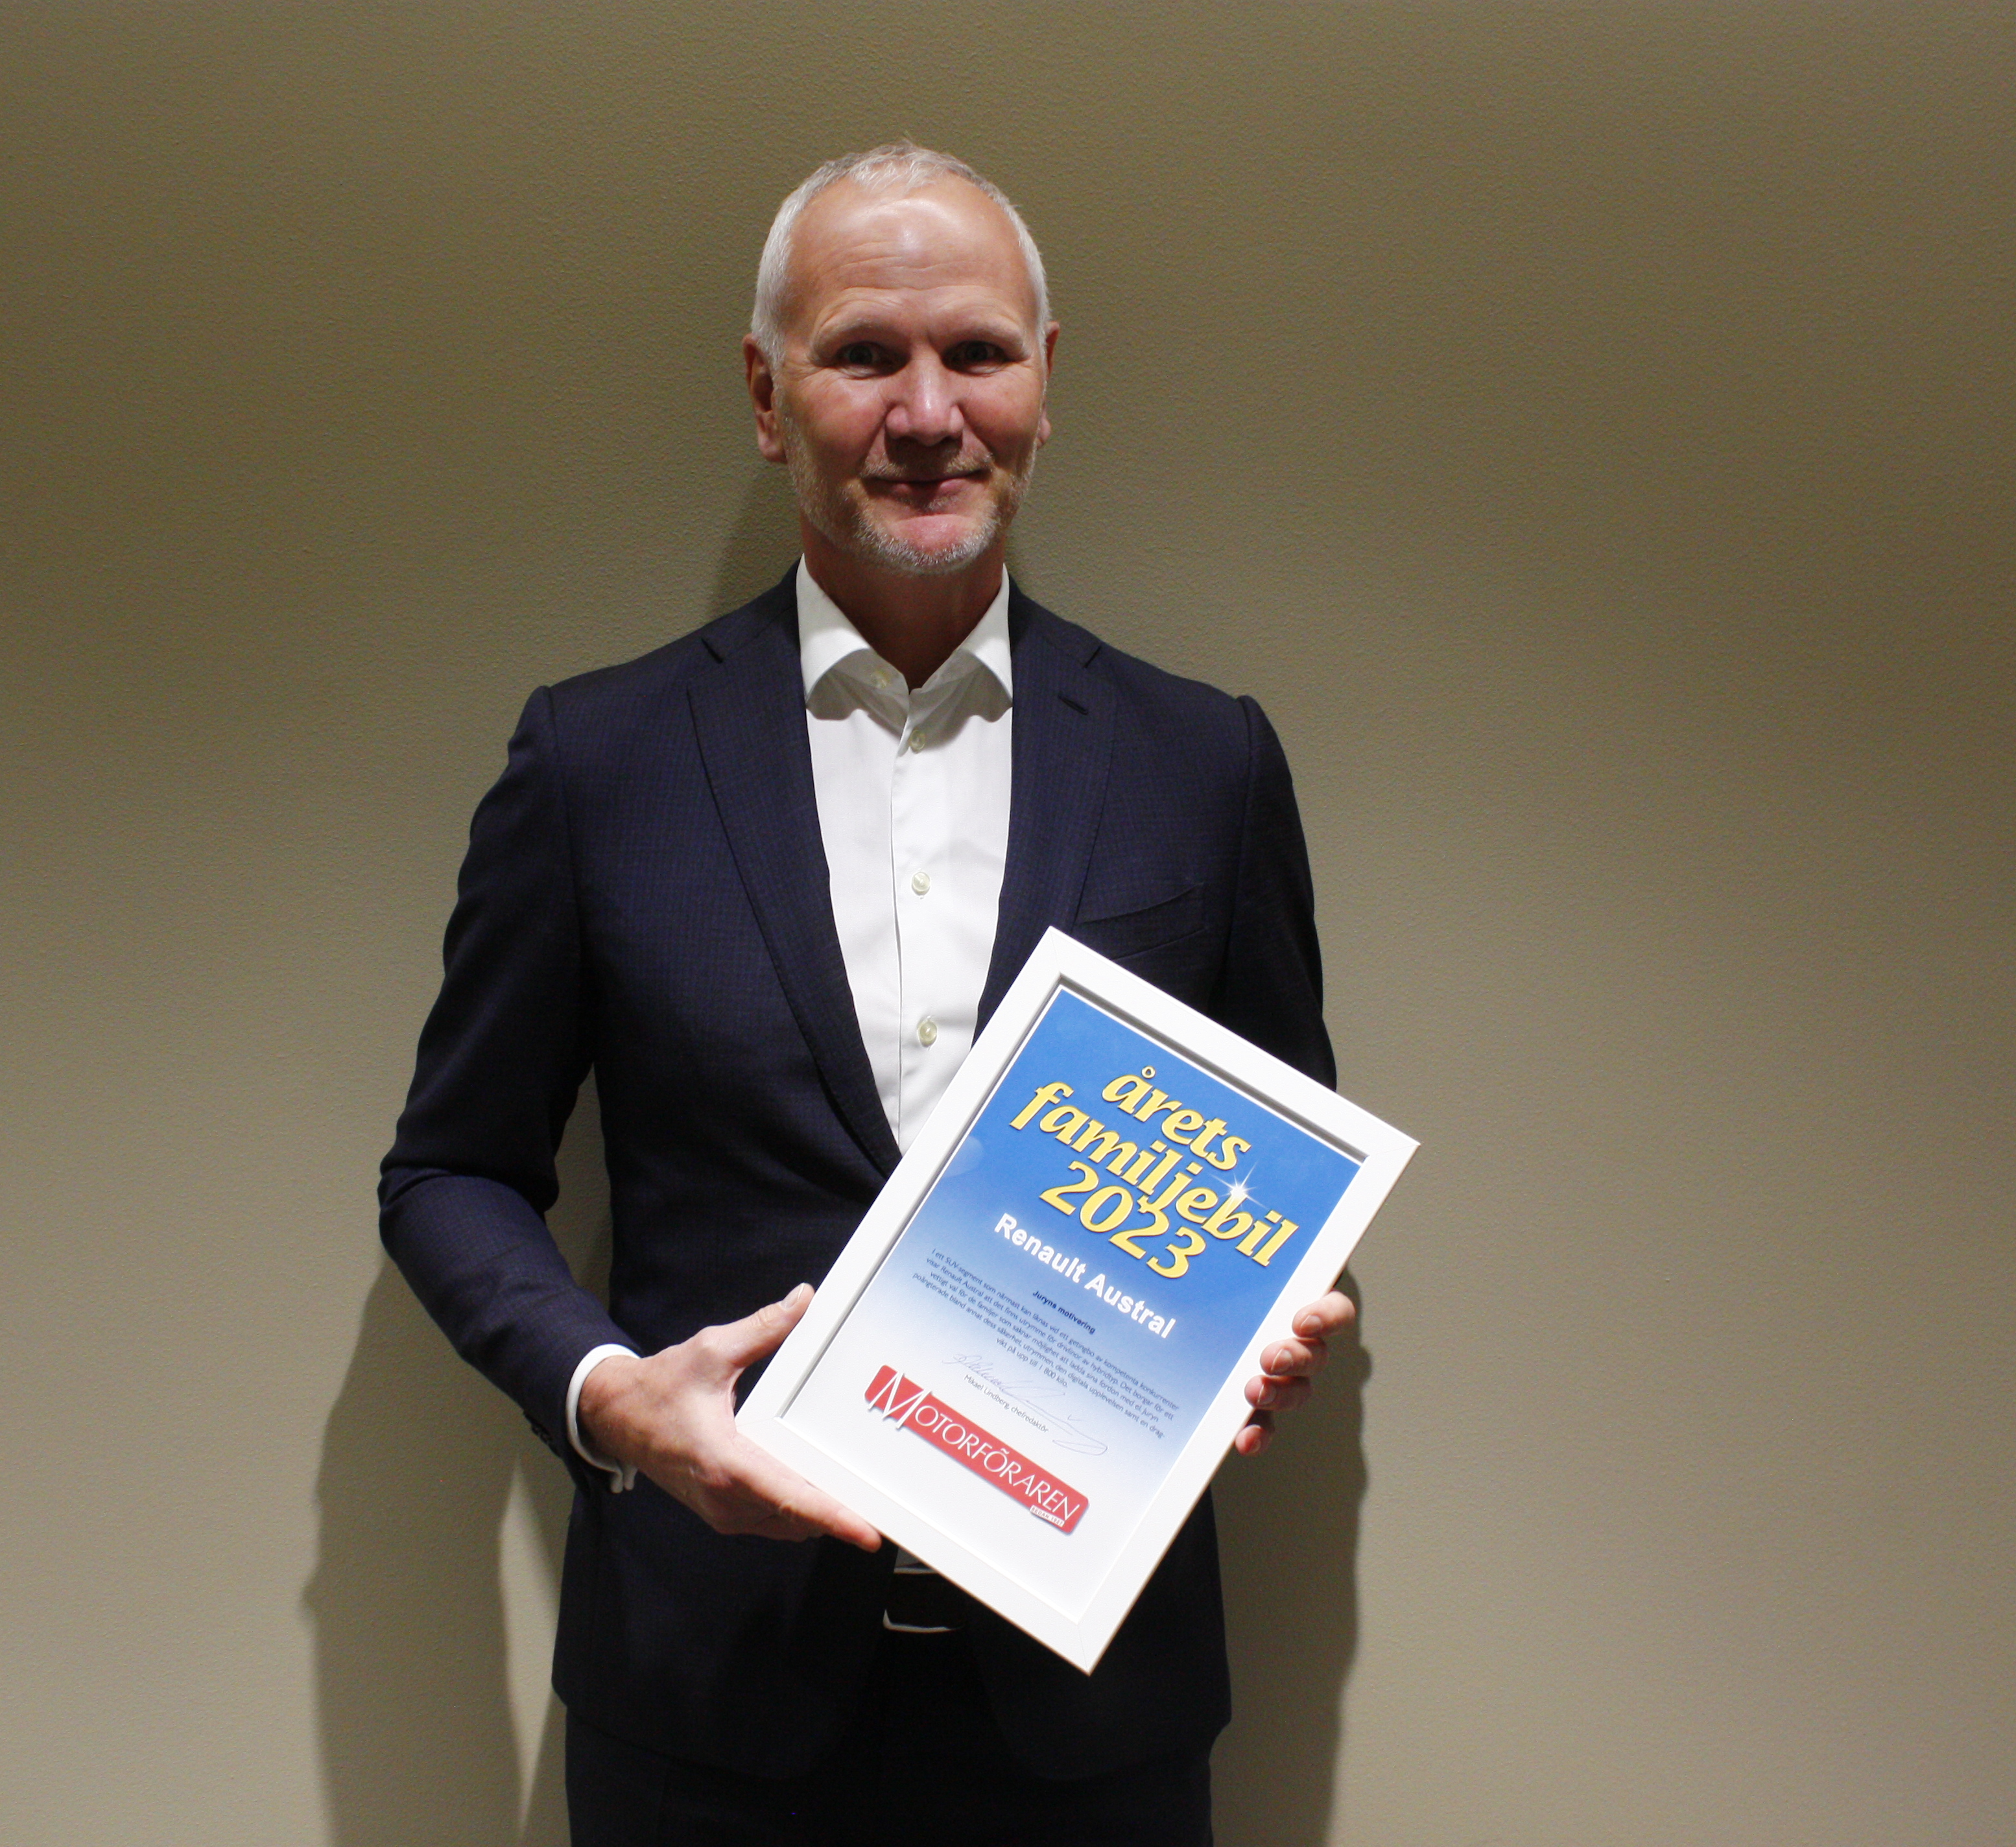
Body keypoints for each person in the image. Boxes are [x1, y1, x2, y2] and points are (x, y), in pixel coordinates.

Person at [381, 142, 1353, 1846]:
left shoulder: (1205, 762)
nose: (927, 413)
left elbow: (1285, 1162)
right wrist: (612, 1401)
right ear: (770, 399)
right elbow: (450, 1170)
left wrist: (1273, 1310)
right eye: (863, 356)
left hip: (1091, 1721)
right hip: (707, 1710)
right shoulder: (598, 763)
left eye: (977, 353)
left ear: (1047, 381)